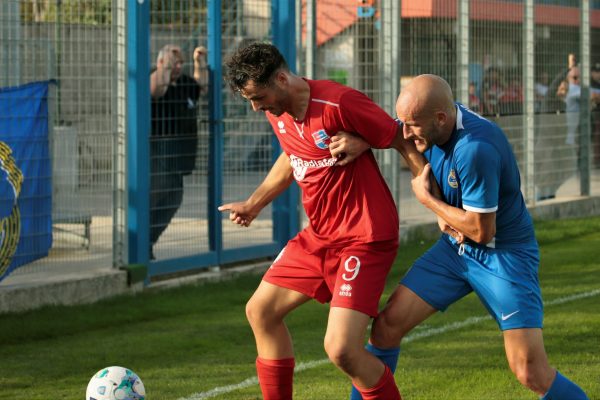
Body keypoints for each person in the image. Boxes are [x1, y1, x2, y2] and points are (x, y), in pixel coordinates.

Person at [338, 74, 589, 400]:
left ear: (440, 118)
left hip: (503, 255)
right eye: (403, 121)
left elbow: (482, 231)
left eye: (412, 125)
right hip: (455, 251)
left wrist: (430, 202)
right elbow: (395, 133)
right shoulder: (429, 124)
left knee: (530, 370)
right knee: (387, 327)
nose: (405, 131)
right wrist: (365, 140)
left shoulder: (476, 148)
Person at [219, 42, 427, 400]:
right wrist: (255, 203)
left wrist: (433, 203)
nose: (256, 107)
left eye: (259, 97)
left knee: (341, 350)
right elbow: (292, 155)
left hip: (364, 238)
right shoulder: (277, 111)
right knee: (260, 311)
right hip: (319, 238)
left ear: (282, 79)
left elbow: (400, 137)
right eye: (249, 100)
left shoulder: (338, 102)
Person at [149, 44, 208, 259]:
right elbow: (157, 90)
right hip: (158, 153)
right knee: (154, 199)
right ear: (161, 62)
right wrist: (165, 65)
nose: (177, 66)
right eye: (174, 62)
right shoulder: (157, 78)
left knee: (173, 199)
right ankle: (140, 246)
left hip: (179, 158)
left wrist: (198, 63)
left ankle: (147, 242)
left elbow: (202, 86)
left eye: (180, 63)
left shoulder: (183, 83)